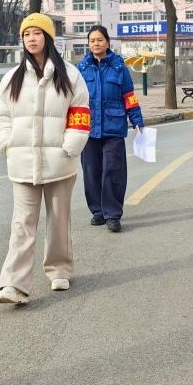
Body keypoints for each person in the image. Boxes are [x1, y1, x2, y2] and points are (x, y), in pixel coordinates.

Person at [0, 13, 90, 305]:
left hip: (60, 161)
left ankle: (59, 269)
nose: (31, 39)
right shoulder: (12, 78)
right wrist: (6, 143)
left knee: (59, 219)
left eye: (37, 33)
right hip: (22, 162)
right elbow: (2, 116)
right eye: (26, 34)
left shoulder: (70, 75)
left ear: (48, 38)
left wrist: (70, 146)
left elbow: (80, 113)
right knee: (22, 223)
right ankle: (14, 284)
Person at [76, 25, 144, 233]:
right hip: (88, 128)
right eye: (92, 41)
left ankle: (113, 214)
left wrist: (137, 120)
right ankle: (98, 211)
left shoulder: (119, 68)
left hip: (114, 127)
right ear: (88, 44)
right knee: (91, 171)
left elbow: (129, 96)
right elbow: (73, 99)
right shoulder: (81, 69)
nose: (96, 43)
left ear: (107, 42)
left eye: (100, 40)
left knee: (113, 172)